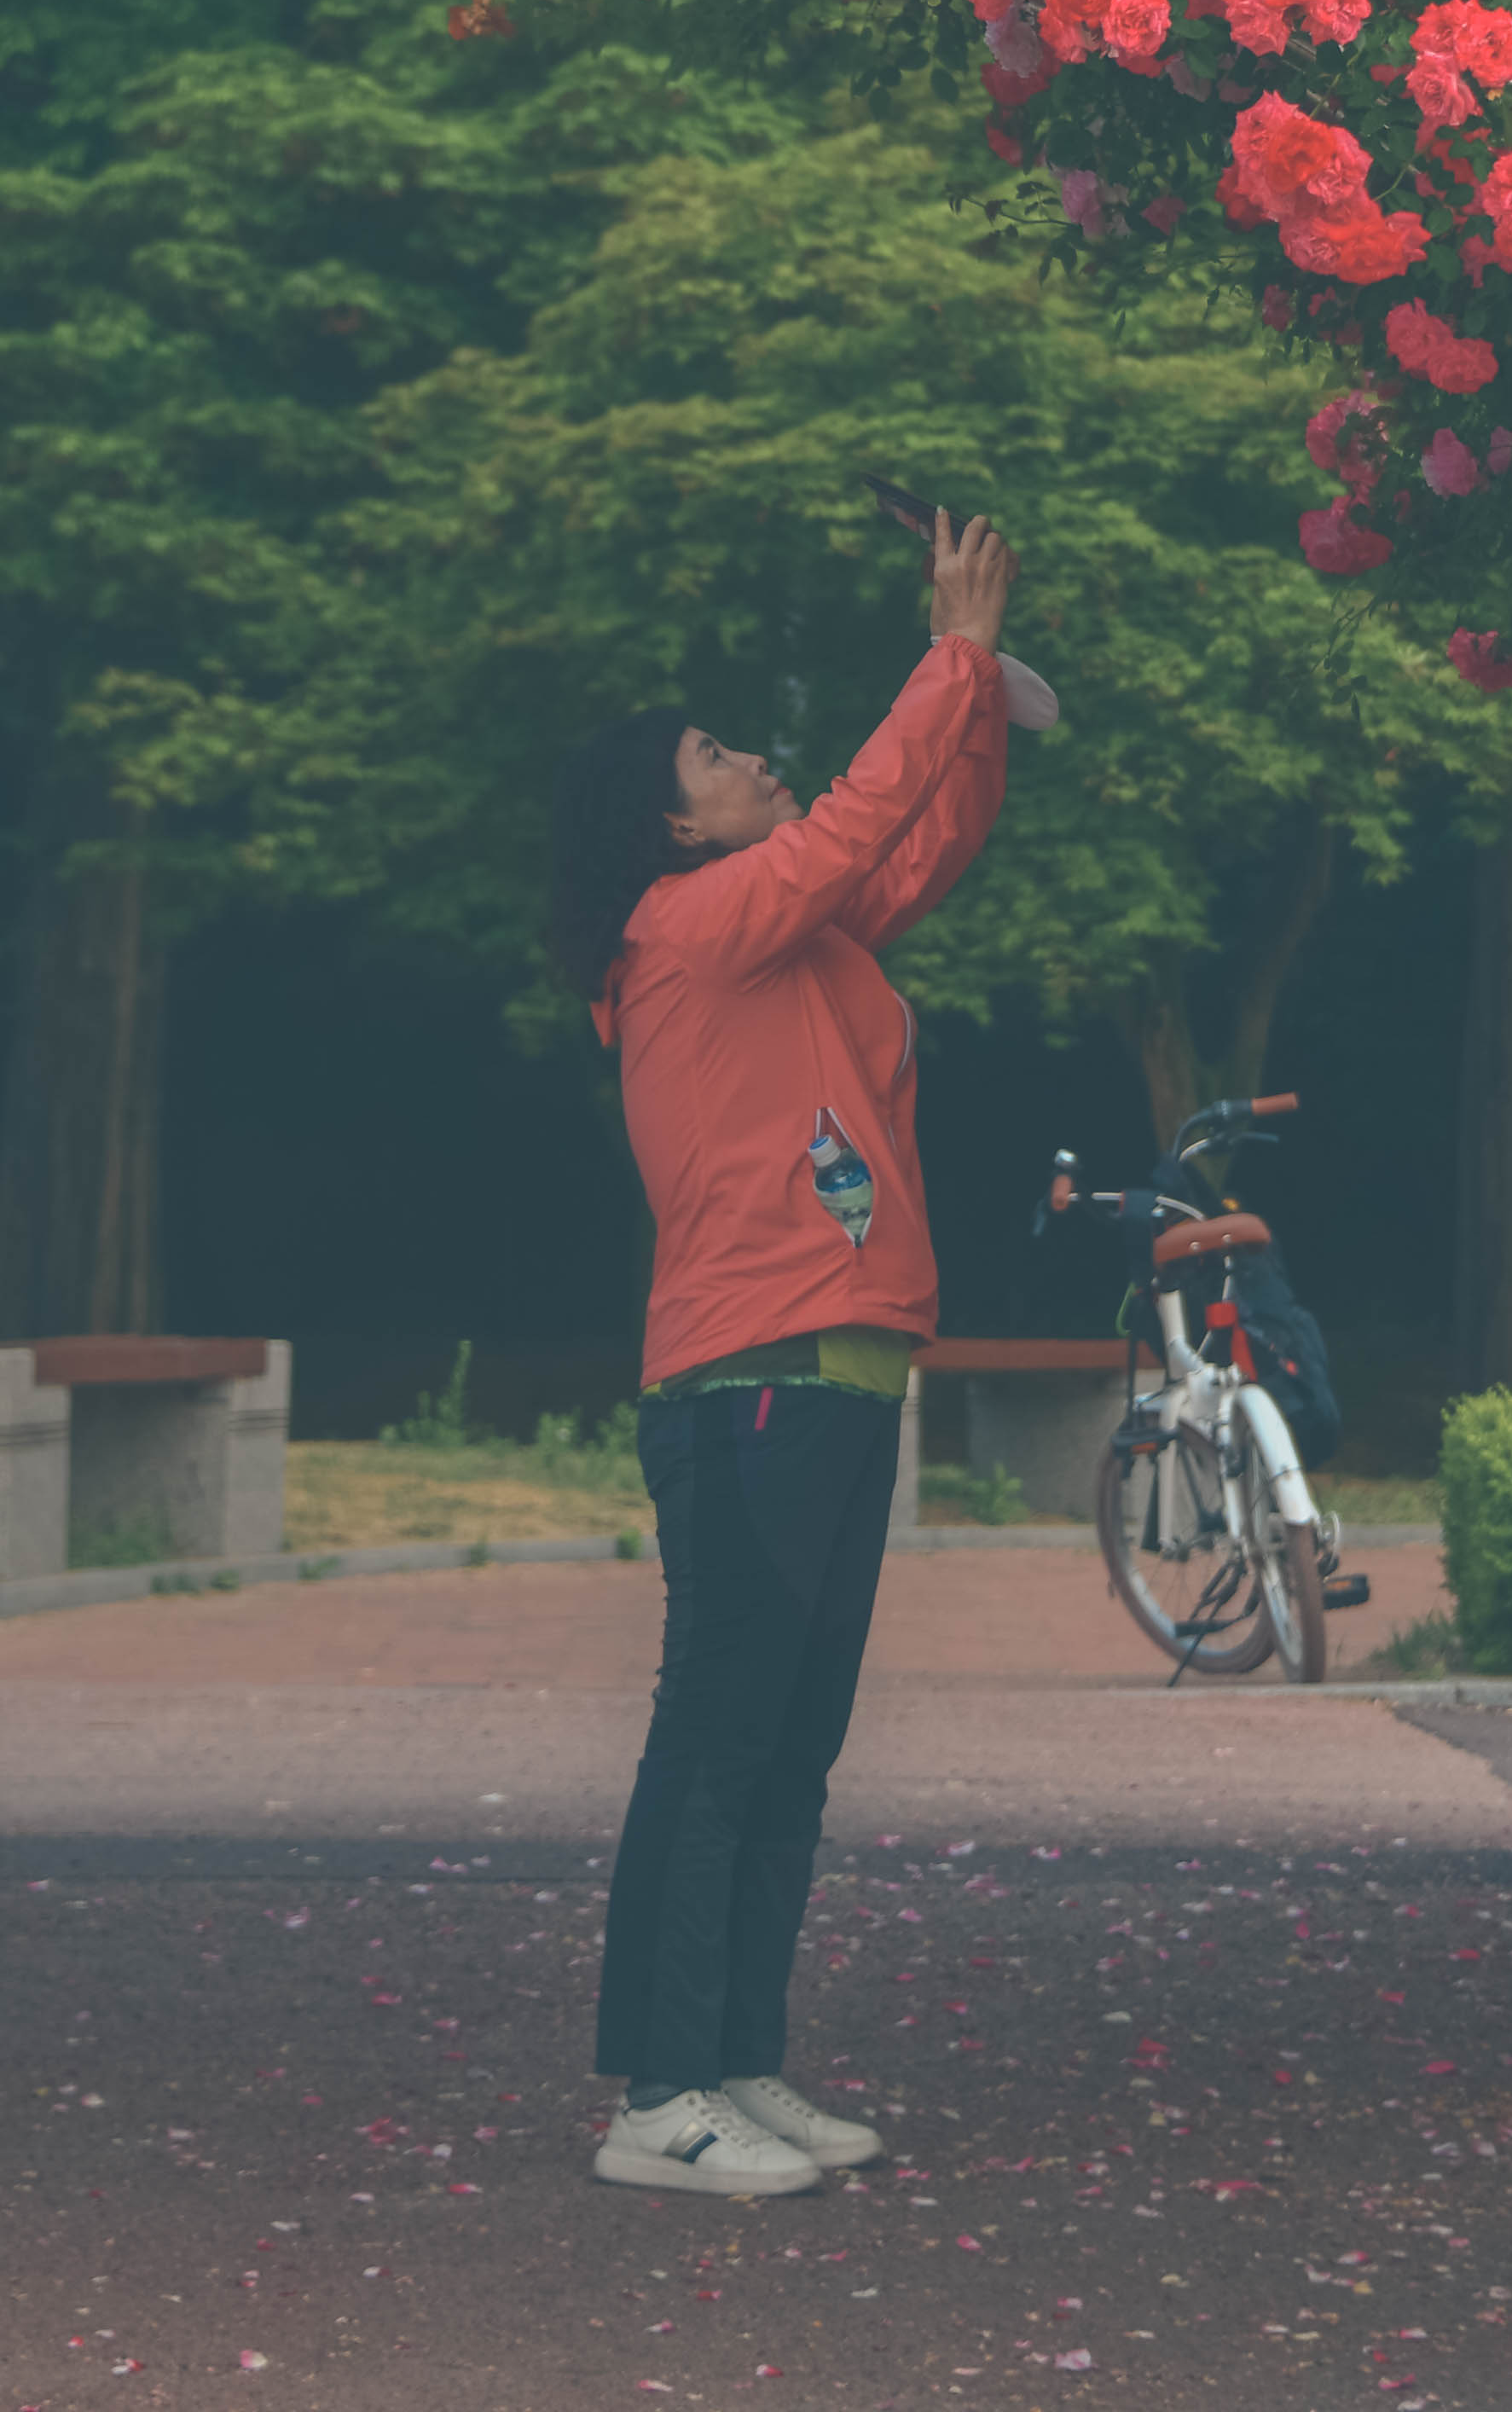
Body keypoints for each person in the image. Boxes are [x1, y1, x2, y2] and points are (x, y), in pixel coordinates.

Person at [544, 509, 1045, 2203]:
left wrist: (975, 707)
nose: (752, 756)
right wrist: (946, 652)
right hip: (748, 1379)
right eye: (714, 752)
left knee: (792, 1746)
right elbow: (846, 828)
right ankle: (656, 2093)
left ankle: (735, 2056)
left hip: (835, 1374)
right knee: (717, 1740)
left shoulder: (792, 937)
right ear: (663, 822)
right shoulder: (685, 927)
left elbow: (911, 849)